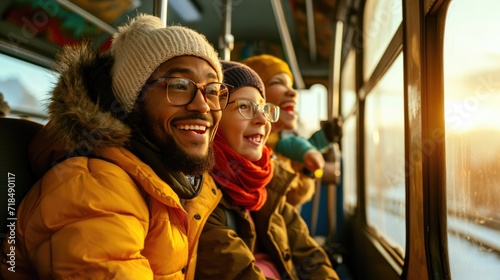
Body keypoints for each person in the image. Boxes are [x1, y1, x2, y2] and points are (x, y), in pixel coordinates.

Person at [0, 14, 228, 279]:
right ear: (133, 101)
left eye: (212, 89)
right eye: (179, 85)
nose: (203, 105)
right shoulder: (94, 188)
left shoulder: (160, 182)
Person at [195, 60, 339, 279]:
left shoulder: (267, 183)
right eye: (244, 106)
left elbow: (310, 255)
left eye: (264, 109)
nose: (262, 119)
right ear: (214, 119)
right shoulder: (201, 198)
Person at [242, 54, 333, 207]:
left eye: (291, 86)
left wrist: (303, 172)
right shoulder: (248, 151)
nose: (293, 93)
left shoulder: (279, 149)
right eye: (278, 83)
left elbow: (288, 203)